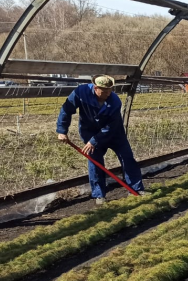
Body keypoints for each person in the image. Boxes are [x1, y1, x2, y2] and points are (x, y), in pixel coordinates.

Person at [56, 75, 146, 205]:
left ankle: (136, 189)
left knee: (127, 158)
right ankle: (99, 195)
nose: (108, 94)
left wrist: (95, 140)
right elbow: (66, 109)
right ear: (95, 88)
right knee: (94, 161)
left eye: (110, 91)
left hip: (114, 133)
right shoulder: (80, 93)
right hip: (89, 131)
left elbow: (110, 127)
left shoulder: (114, 101)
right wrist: (62, 130)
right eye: (104, 91)